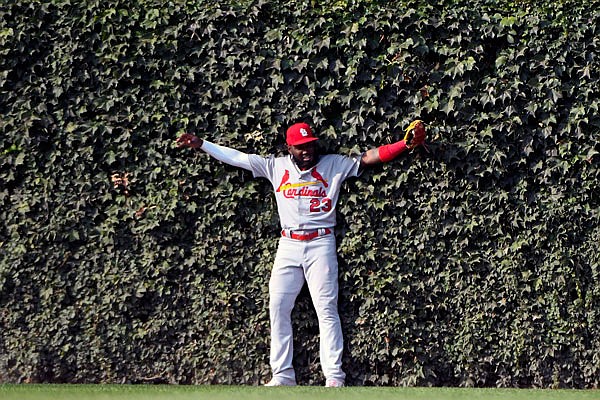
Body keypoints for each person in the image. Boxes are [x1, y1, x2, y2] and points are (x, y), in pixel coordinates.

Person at [176, 121, 425, 387]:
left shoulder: (332, 164)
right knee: (278, 307)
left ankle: (334, 377)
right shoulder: (275, 166)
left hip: (321, 243)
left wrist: (404, 144)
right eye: (300, 147)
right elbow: (237, 158)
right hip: (288, 245)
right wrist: (202, 145)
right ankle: (282, 375)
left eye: (310, 144)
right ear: (289, 148)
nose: (307, 150)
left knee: (326, 310)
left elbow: (368, 158)